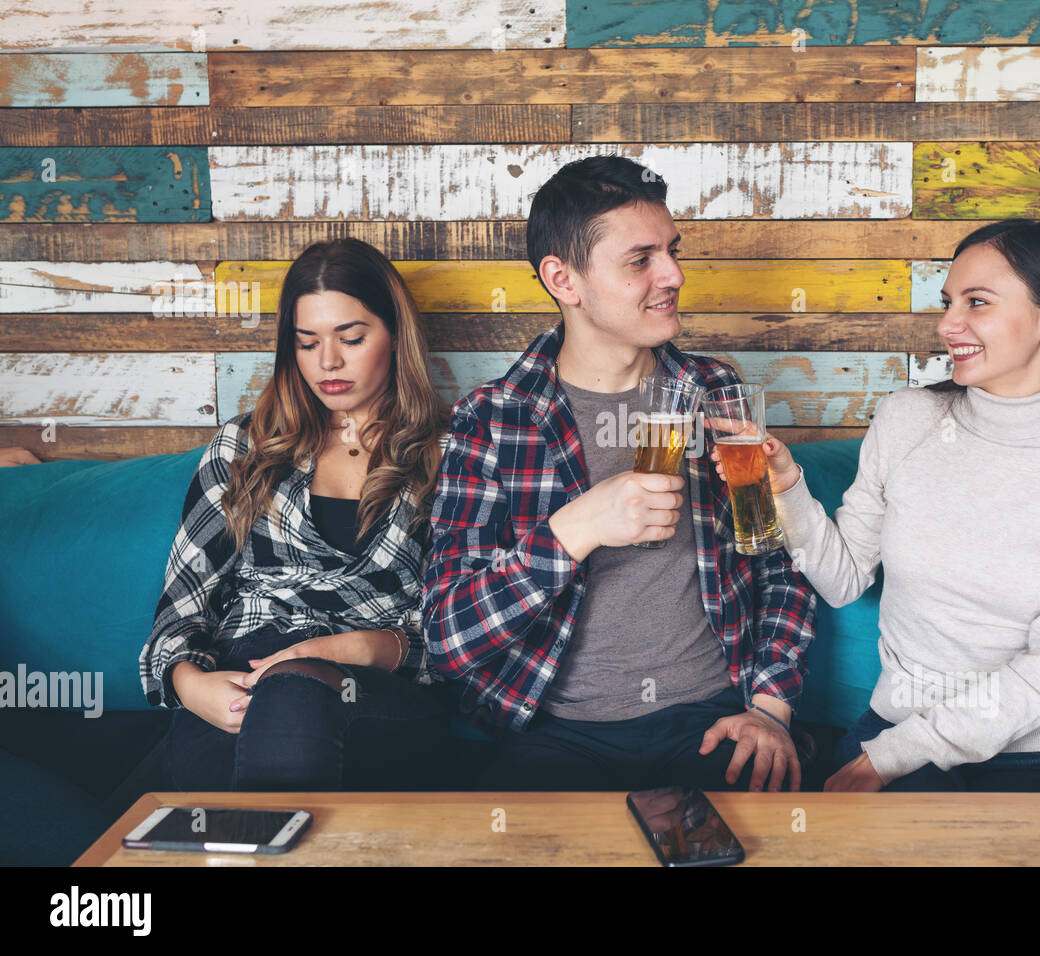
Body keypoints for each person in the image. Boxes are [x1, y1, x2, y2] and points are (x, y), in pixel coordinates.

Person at [421, 155, 817, 793]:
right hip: (558, 731)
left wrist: (770, 707)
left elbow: (778, 563)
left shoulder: (714, 391)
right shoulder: (492, 419)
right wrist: (575, 530)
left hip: (713, 721)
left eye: (672, 251)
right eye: (641, 260)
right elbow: (447, 638)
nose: (674, 275)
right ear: (564, 279)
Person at [714, 219, 1040, 793]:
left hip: (1034, 752)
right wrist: (787, 485)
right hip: (897, 723)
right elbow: (843, 580)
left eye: (977, 302)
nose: (948, 325)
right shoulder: (907, 418)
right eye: (948, 302)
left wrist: (893, 757)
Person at [140, 237, 453, 791]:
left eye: (351, 338)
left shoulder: (448, 454)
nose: (328, 362)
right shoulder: (244, 446)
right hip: (242, 672)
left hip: (372, 684)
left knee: (292, 695)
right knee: (173, 817)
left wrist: (355, 648)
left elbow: (463, 629)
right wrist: (192, 685)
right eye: (307, 343)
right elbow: (182, 606)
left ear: (396, 336)